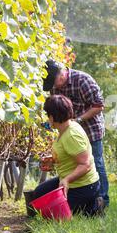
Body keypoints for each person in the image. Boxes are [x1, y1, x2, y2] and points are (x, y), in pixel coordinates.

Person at [43, 60, 110, 207]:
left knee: (95, 163)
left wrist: (77, 120)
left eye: (54, 83)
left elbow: (99, 106)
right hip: (68, 129)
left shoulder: (83, 80)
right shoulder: (55, 88)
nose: (53, 88)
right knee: (75, 163)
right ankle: (82, 196)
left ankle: (102, 200)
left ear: (61, 74)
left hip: (90, 127)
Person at [33, 95, 104, 216]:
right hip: (69, 181)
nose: (47, 118)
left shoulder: (71, 135)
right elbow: (69, 154)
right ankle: (88, 206)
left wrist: (67, 180)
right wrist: (53, 160)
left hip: (84, 185)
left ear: (52, 116)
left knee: (53, 213)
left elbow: (85, 164)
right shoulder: (65, 129)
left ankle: (93, 205)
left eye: (47, 114)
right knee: (39, 193)